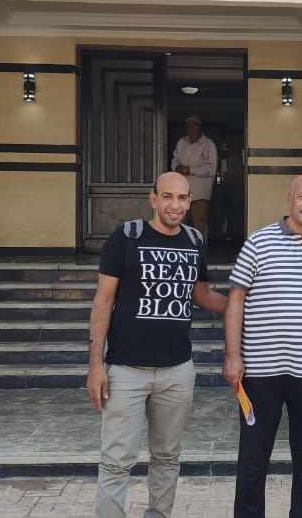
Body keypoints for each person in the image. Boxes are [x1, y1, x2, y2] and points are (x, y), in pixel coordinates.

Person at [86, 171, 228, 518]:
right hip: (126, 370)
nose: (174, 205)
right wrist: (95, 366)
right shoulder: (126, 237)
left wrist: (242, 305)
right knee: (116, 461)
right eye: (167, 197)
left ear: (189, 202)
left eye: (182, 198)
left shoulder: (194, 240)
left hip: (177, 371)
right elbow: (103, 302)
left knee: (167, 458)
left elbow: (201, 294)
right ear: (153, 199)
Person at [223, 173, 302, 518]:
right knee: (253, 460)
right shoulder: (258, 243)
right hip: (260, 372)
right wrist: (232, 356)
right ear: (289, 200)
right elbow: (236, 300)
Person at [171, 114, 218, 241]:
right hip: (181, 191)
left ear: (199, 127)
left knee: (199, 223)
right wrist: (177, 167)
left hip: (200, 192)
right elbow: (175, 160)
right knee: (180, 223)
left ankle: (201, 250)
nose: (191, 128)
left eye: (194, 125)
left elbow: (211, 168)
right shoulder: (181, 142)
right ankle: (182, 249)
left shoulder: (208, 144)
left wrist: (190, 170)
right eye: (189, 126)